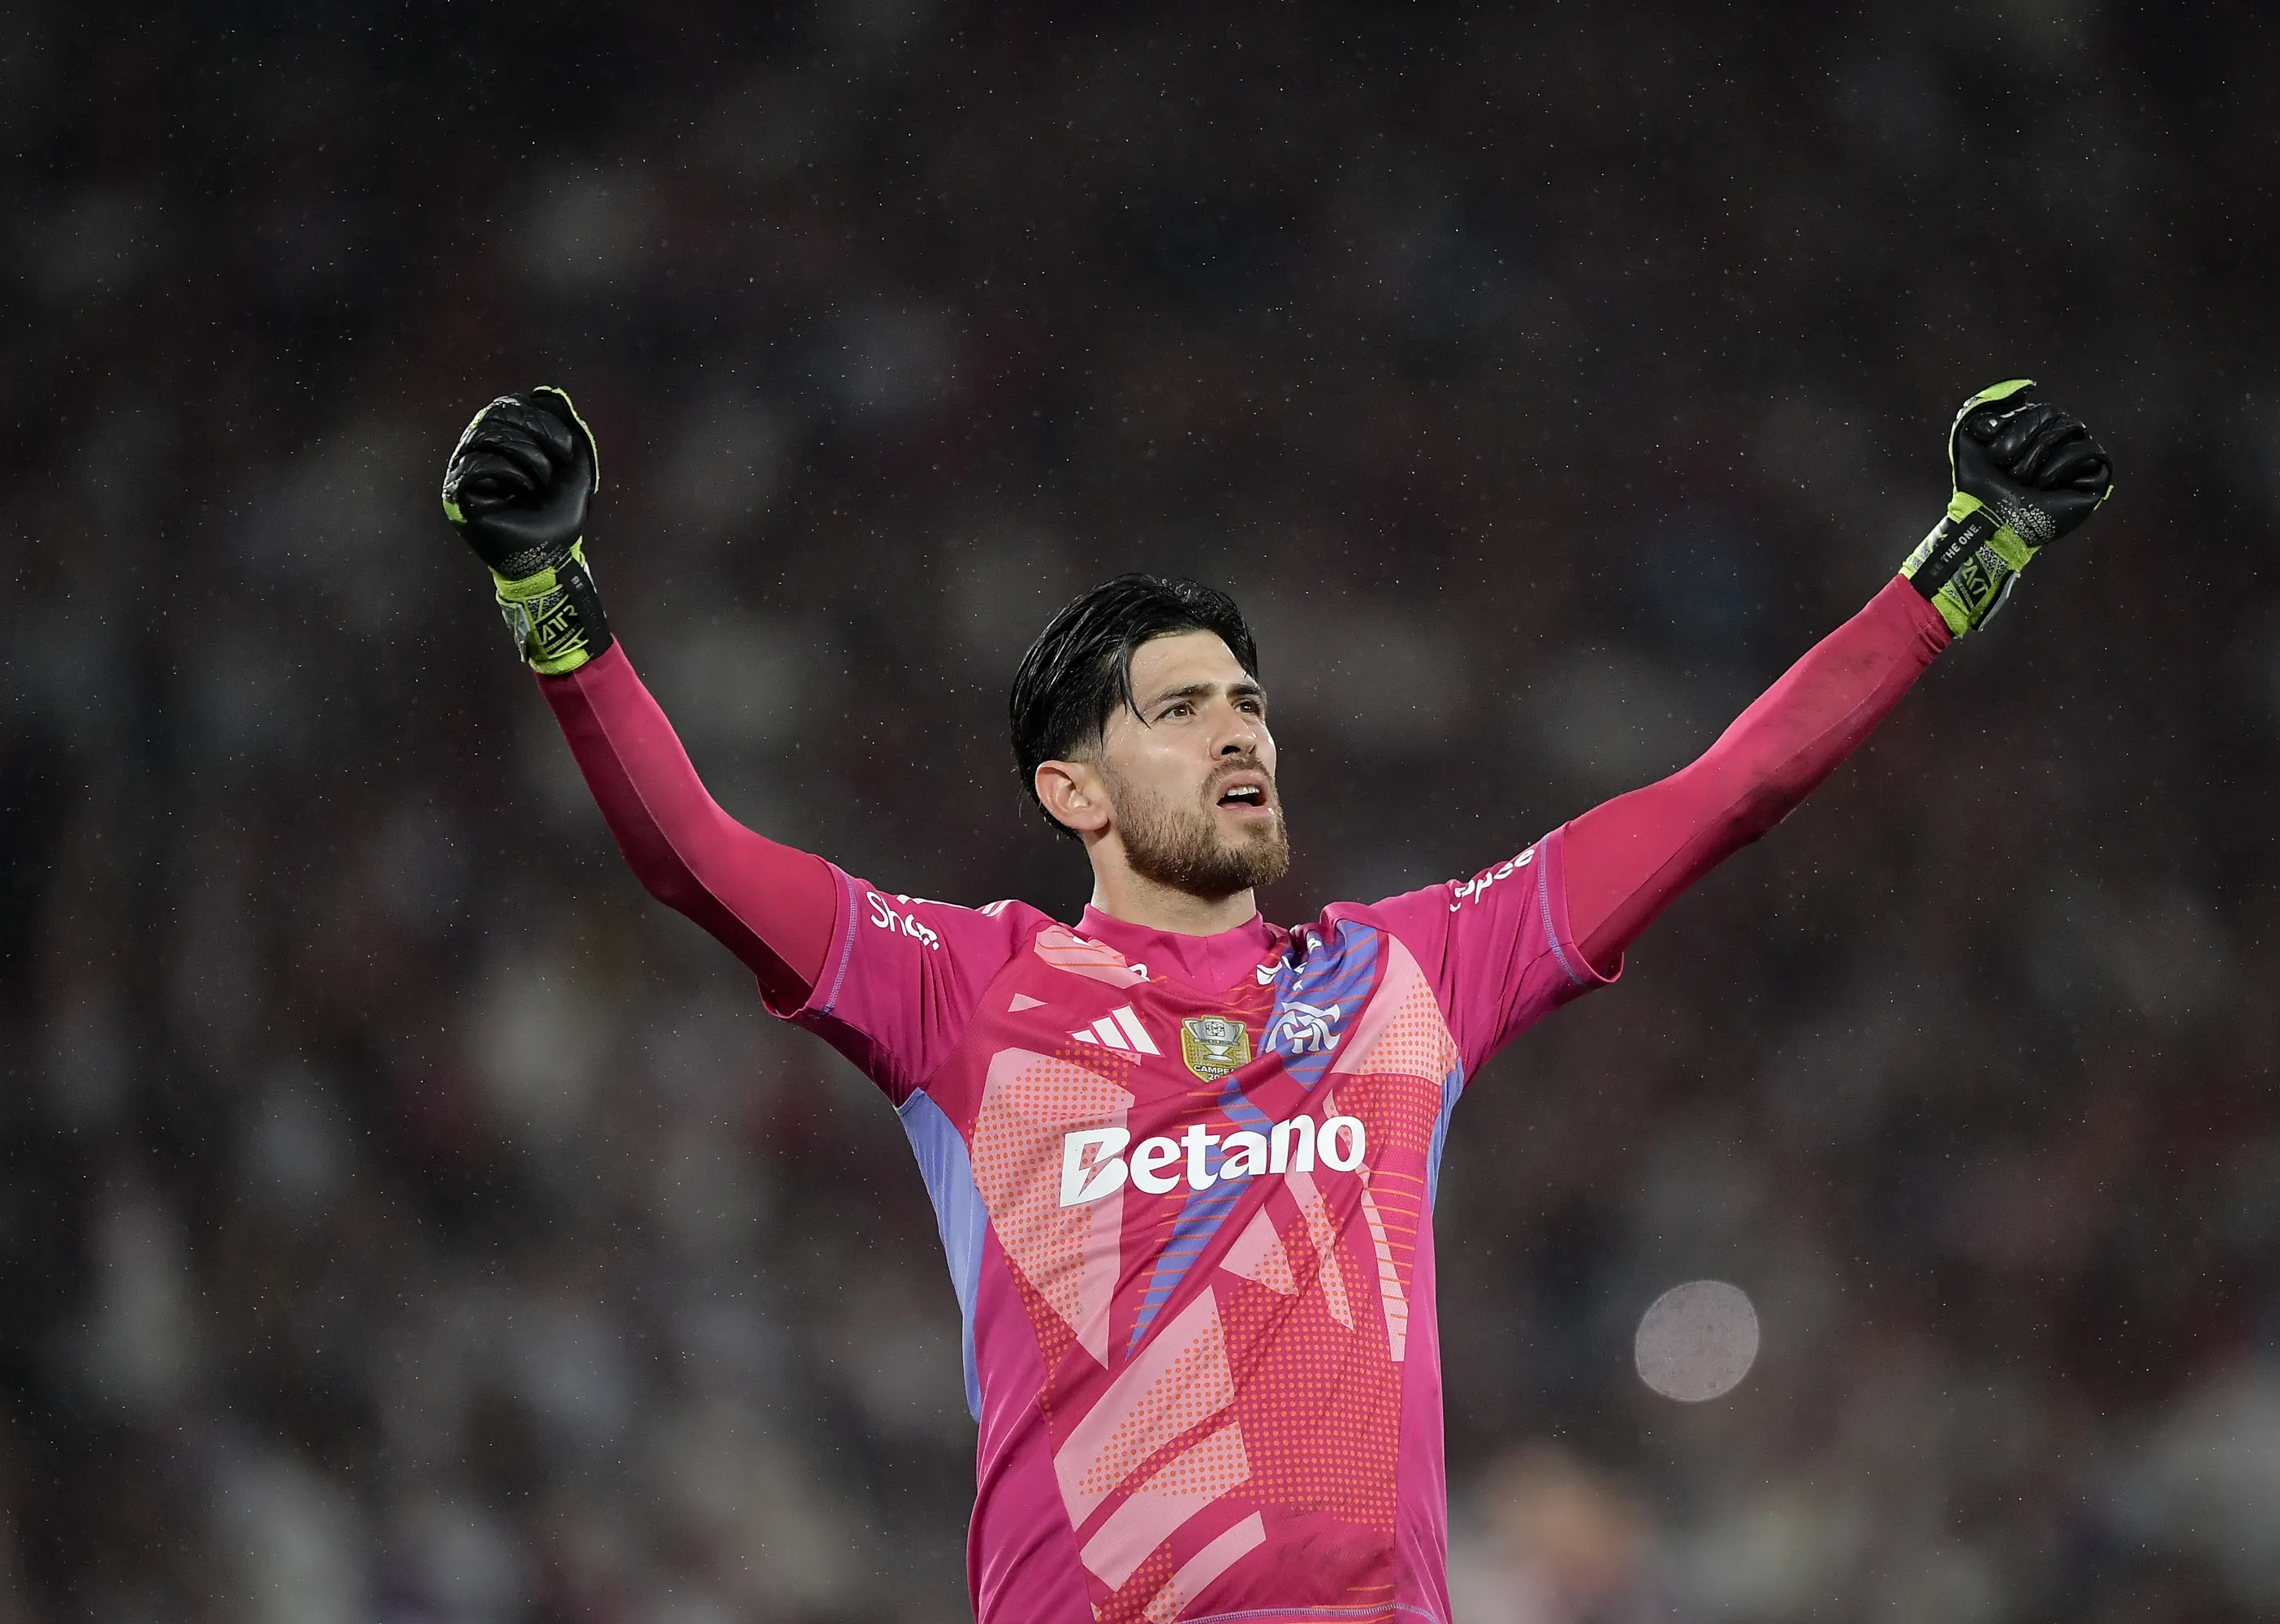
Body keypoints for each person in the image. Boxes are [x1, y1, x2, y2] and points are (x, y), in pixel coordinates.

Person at [437, 380, 2111, 1624]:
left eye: (1250, 698)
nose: (1241, 730)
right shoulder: (963, 993)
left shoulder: (1406, 976)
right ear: (1071, 789)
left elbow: (1725, 789)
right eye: (1179, 709)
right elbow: (693, 856)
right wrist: (552, 603)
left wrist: (1963, 562)